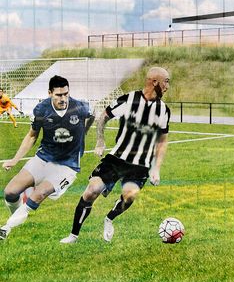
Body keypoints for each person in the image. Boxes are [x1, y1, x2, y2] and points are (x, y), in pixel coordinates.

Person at [60, 67, 171, 244]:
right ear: (154, 82)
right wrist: (100, 141)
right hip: (116, 159)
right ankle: (73, 236)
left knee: (129, 196)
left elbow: (162, 140)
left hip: (140, 165)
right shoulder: (128, 100)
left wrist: (156, 168)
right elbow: (103, 116)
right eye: (166, 81)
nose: (167, 86)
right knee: (92, 190)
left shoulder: (164, 110)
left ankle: (109, 218)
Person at [0, 76, 94, 240]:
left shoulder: (80, 107)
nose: (63, 98)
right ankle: (19, 216)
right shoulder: (41, 110)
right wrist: (15, 160)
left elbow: (92, 115)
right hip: (44, 158)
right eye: (58, 95)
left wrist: (83, 133)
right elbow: (31, 136)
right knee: (10, 192)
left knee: (38, 193)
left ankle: (6, 228)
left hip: (67, 165)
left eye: (66, 94)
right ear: (50, 93)